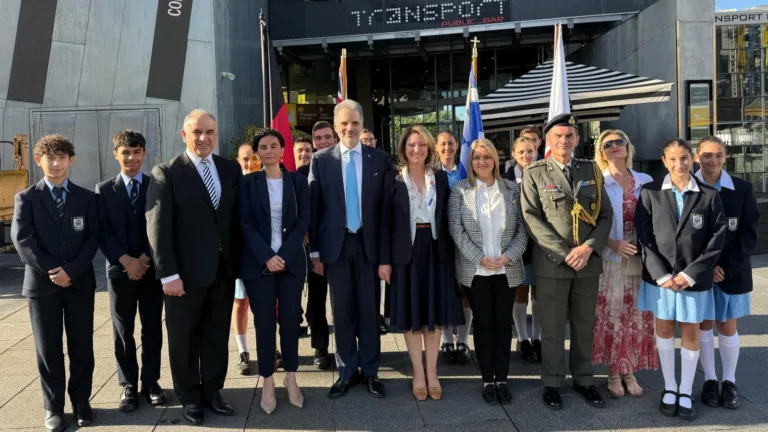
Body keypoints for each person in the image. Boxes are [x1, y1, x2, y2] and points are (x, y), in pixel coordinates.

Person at [145, 109, 242, 425]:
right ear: (184, 135)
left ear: (216, 134)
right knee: (184, 339)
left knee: (216, 335)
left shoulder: (230, 170)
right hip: (183, 278)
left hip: (223, 272)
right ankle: (190, 398)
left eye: (210, 132)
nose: (204, 138)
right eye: (197, 132)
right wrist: (168, 274)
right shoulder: (167, 173)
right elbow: (157, 228)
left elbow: (235, 221)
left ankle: (213, 392)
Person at [520, 113, 613, 410]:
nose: (564, 141)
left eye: (569, 136)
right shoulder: (534, 173)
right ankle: (552, 382)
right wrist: (564, 254)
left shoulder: (592, 170)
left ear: (577, 139)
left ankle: (584, 379)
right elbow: (531, 218)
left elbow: (605, 215)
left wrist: (588, 248)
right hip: (553, 265)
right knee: (552, 327)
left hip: (587, 263)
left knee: (585, 326)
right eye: (558, 136)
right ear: (548, 140)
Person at [12, 134, 99, 431]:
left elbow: (91, 240)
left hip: (78, 283)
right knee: (48, 348)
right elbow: (23, 240)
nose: (57, 163)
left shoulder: (86, 198)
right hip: (42, 286)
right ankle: (53, 407)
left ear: (71, 160)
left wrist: (71, 271)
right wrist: (53, 270)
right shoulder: (26, 198)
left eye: (62, 157)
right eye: (50, 158)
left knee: (81, 346)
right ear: (39, 161)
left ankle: (81, 402)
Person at [636, 138, 726, 421]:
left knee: (690, 331)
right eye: (673, 159)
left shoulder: (709, 195)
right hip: (660, 279)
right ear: (664, 162)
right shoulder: (649, 192)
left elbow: (717, 238)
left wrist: (689, 274)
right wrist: (661, 275)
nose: (679, 164)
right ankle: (670, 387)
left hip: (693, 279)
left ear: (692, 160)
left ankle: (686, 390)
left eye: (684, 158)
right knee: (663, 329)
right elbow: (644, 236)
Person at [308, 99, 393, 399]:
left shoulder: (379, 160)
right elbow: (314, 211)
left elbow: (385, 213)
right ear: (335, 126)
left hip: (369, 248)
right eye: (344, 124)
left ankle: (370, 371)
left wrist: (385, 257)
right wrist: (315, 253)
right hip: (336, 248)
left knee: (369, 312)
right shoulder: (321, 160)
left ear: (361, 124)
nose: (350, 128)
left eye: (355, 123)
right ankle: (346, 371)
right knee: (341, 312)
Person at [379, 126, 464, 401]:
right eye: (411, 145)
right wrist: (385, 261)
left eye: (422, 146)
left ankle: (432, 372)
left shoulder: (439, 178)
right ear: (404, 148)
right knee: (412, 315)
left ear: (429, 149)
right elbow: (385, 223)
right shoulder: (393, 179)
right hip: (406, 253)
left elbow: (450, 216)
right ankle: (418, 373)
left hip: (437, 250)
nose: (417, 150)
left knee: (434, 315)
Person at [448, 138, 528, 405]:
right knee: (482, 324)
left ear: (495, 158)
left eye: (486, 156)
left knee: (503, 325)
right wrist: (480, 258)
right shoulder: (460, 190)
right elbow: (456, 231)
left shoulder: (512, 190)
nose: (481, 162)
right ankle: (487, 379)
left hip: (507, 268)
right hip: (476, 270)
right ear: (470, 162)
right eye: (476, 158)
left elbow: (523, 231)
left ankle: (502, 377)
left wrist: (508, 256)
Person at [95, 130, 167, 412]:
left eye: (137, 152)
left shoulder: (155, 186)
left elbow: (161, 226)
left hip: (150, 271)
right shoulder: (104, 189)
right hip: (119, 271)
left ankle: (151, 382)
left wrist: (145, 259)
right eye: (125, 152)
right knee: (123, 331)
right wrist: (126, 261)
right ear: (116, 154)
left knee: (152, 328)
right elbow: (102, 231)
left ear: (144, 154)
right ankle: (127, 384)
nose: (131, 158)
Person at [240, 129, 310, 414]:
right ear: (257, 153)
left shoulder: (297, 182)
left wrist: (283, 254)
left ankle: (291, 377)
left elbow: (304, 220)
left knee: (291, 321)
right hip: (259, 265)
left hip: (291, 263)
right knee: (265, 323)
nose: (268, 151)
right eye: (263, 147)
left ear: (283, 150)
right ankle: (267, 380)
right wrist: (268, 256)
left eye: (274, 146)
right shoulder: (247, 183)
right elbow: (245, 223)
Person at [590, 130, 657, 398]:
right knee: (612, 317)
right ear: (602, 152)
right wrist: (611, 243)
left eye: (620, 142)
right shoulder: (597, 183)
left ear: (628, 148)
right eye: (609, 144)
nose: (615, 147)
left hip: (640, 260)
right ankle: (614, 373)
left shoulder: (646, 181)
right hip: (611, 260)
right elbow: (589, 223)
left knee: (636, 317)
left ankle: (630, 370)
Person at [694, 136, 758, 410]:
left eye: (718, 155)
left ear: (725, 157)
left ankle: (729, 381)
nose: (713, 160)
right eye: (707, 155)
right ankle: (710, 380)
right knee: (704, 325)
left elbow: (749, 233)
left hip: (731, 272)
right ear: (697, 157)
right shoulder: (686, 186)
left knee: (727, 326)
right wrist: (705, 268)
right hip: (698, 272)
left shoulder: (742, 188)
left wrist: (726, 267)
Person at [300, 121, 337, 370]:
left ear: (334, 139)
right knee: (316, 299)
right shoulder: (301, 174)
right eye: (318, 138)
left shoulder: (344, 166)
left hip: (341, 246)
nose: (322, 142)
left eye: (326, 137)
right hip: (313, 247)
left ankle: (348, 345)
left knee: (343, 299)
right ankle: (320, 348)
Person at [434, 131, 473, 365]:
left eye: (451, 143)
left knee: (466, 293)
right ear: (436, 148)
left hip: (467, 240)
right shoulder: (432, 173)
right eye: (443, 144)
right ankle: (447, 341)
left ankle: (464, 341)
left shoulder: (467, 173)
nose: (447, 147)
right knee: (446, 293)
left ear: (457, 145)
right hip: (441, 242)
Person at [504, 137, 542, 363]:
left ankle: (537, 337)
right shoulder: (505, 180)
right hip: (517, 244)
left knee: (539, 292)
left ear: (536, 151)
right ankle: (523, 338)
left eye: (530, 151)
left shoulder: (545, 174)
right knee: (520, 292)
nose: (526, 155)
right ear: (514, 153)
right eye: (522, 152)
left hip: (541, 244)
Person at [231, 142, 259, 376]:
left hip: (268, 257)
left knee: (271, 306)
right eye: (245, 159)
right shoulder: (234, 187)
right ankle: (243, 351)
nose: (250, 163)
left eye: (253, 158)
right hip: (242, 256)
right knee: (241, 304)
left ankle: (272, 348)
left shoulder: (271, 182)